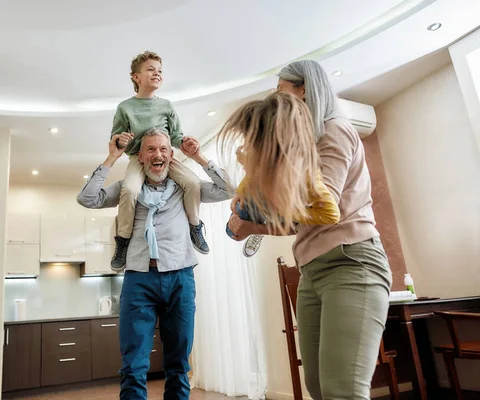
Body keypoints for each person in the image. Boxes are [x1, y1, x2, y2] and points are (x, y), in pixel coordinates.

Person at [226, 60, 392, 399]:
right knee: (317, 387)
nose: (277, 99)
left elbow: (325, 209)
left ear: (304, 88)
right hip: (312, 269)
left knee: (341, 390)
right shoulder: (300, 149)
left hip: (351, 263)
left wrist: (257, 203)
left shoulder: (334, 129)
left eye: (281, 90)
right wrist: (251, 219)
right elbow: (301, 221)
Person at [77, 128, 233, 400]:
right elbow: (87, 198)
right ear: (140, 157)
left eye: (163, 149)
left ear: (171, 156)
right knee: (134, 365)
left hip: (180, 278)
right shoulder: (128, 189)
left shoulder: (186, 188)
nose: (157, 154)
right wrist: (111, 158)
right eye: (150, 149)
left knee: (179, 365)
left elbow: (228, 189)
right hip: (139, 279)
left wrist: (199, 157)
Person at [110, 50, 209, 272]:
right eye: (151, 70)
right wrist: (121, 140)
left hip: (165, 156)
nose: (157, 74)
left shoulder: (166, 106)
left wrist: (186, 143)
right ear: (136, 77)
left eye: (160, 71)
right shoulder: (125, 108)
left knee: (192, 183)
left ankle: (195, 227)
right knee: (130, 190)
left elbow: (176, 136)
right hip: (139, 157)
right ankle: (123, 241)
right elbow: (115, 139)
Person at [219, 91, 340, 257]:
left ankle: (261, 225)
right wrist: (241, 190)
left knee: (236, 226)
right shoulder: (267, 161)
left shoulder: (306, 176)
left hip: (289, 208)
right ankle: (257, 221)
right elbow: (258, 171)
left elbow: (331, 215)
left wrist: (279, 213)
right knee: (232, 229)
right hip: (271, 198)